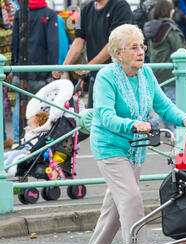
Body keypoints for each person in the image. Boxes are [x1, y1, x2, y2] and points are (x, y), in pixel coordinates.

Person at [81, 24, 186, 244]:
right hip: (110, 147)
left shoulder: (145, 74)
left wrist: (184, 119)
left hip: (135, 149)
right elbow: (104, 115)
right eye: (134, 47)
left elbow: (163, 105)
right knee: (132, 199)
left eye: (142, 46)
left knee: (117, 204)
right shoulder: (106, 77)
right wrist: (131, 123)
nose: (141, 51)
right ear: (118, 53)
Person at [52, 0, 134, 109]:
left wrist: (89, 66)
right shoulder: (85, 8)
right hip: (95, 77)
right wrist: (64, 66)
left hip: (119, 77)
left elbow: (114, 44)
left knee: (117, 120)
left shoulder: (121, 6)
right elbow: (78, 40)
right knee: (93, 119)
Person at [10, 0, 59, 147]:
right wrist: (53, 67)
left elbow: (15, 41)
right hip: (42, 69)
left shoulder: (20, 13)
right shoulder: (49, 14)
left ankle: (17, 139)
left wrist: (13, 64)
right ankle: (37, 138)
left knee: (21, 102)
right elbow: (53, 43)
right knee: (41, 105)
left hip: (22, 68)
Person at [143, 0, 185, 136]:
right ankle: (153, 123)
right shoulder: (170, 29)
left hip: (156, 70)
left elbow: (149, 51)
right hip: (170, 71)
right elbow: (179, 50)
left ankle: (169, 130)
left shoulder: (151, 28)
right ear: (169, 11)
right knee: (170, 103)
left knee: (163, 101)